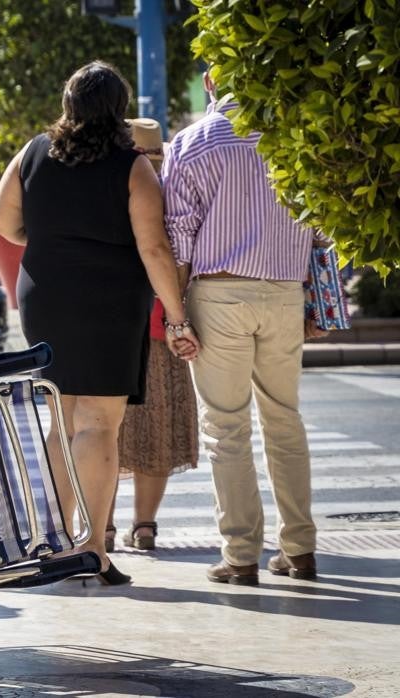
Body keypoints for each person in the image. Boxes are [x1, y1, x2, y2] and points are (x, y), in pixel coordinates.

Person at [0, 62, 198, 585]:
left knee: (61, 422)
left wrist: (52, 243)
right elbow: (153, 248)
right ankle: (92, 548)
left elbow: (4, 222)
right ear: (118, 108)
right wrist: (176, 316)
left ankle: (55, 542)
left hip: (46, 294)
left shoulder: (33, 152)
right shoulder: (132, 166)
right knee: (99, 424)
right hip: (109, 299)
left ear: (69, 103)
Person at [164, 73, 322, 585]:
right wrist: (319, 304)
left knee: (226, 427)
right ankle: (299, 549)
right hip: (284, 292)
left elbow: (179, 240)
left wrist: (176, 317)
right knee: (285, 420)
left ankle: (240, 556)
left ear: (210, 81)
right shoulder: (297, 136)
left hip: (219, 294)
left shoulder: (191, 143)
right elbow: (322, 230)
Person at [106, 118, 199, 552]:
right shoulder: (174, 196)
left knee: (103, 431)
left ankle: (100, 525)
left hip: (112, 328)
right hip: (164, 326)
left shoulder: (107, 190)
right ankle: (145, 527)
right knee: (157, 431)